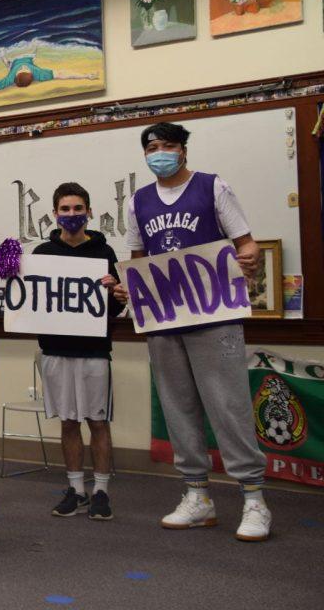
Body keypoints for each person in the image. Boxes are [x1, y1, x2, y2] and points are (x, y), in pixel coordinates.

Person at [113, 121, 270, 541]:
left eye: (166, 146)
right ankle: (197, 496)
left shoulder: (212, 187)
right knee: (177, 405)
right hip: (164, 320)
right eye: (151, 147)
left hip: (214, 315)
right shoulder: (137, 203)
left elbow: (247, 244)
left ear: (183, 150)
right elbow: (139, 262)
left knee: (228, 404)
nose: (158, 153)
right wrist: (124, 287)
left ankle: (254, 498)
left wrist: (250, 260)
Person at [33, 182, 125, 520]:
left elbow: (114, 310)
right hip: (55, 349)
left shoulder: (104, 253)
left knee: (97, 421)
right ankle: (76, 489)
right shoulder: (41, 254)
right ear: (55, 214)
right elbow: (31, 302)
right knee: (68, 422)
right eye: (65, 209)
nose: (72, 215)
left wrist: (116, 293)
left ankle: (101, 490)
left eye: (77, 209)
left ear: (89, 211)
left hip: (94, 350)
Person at [0, 45, 98, 109]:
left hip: (12, 63)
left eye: (23, 69)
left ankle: (2, 56)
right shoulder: (38, 73)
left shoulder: (11, 78)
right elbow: (62, 74)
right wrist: (86, 76)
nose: (23, 68)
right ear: (30, 74)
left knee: (8, 66)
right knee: (21, 59)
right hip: (29, 56)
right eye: (25, 69)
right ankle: (34, 46)